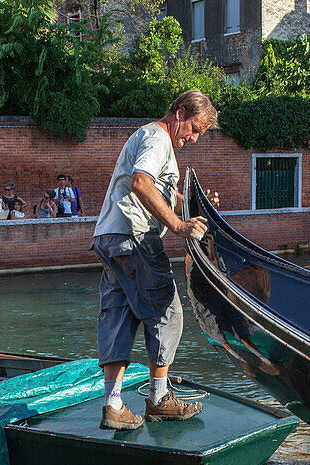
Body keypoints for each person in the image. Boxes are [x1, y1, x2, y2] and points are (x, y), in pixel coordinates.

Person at [92, 89, 216, 430]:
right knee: (166, 311)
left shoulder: (149, 139)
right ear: (178, 112)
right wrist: (178, 225)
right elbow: (140, 183)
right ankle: (160, 398)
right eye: (193, 129)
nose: (193, 138)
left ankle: (113, 405)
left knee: (120, 316)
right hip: (135, 239)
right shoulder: (158, 137)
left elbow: (155, 188)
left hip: (109, 237)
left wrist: (185, 204)